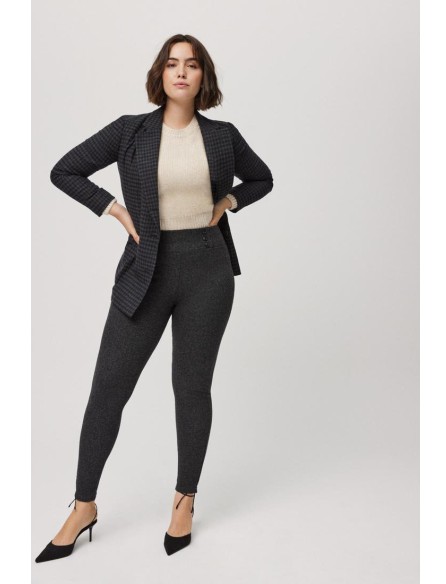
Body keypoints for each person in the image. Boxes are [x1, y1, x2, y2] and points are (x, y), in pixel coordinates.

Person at [35, 33, 273, 561]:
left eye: (192, 64)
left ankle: (184, 500)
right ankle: (83, 505)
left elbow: (263, 179)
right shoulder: (130, 131)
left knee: (191, 389)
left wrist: (228, 201)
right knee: (108, 389)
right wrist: (115, 210)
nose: (181, 72)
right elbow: (64, 170)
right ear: (160, 74)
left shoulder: (222, 136)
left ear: (203, 76)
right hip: (146, 269)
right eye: (172, 63)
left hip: (208, 271)